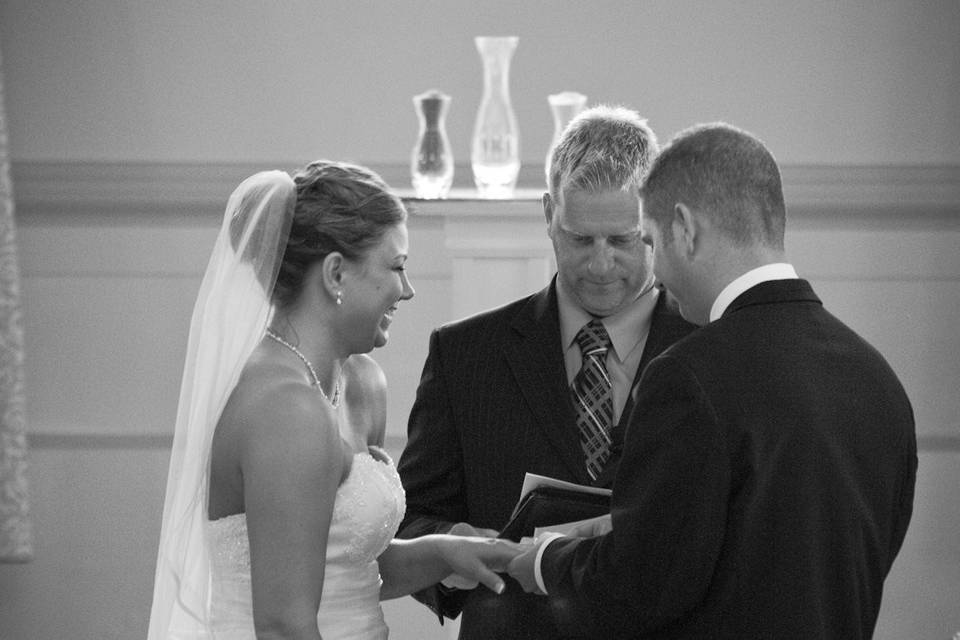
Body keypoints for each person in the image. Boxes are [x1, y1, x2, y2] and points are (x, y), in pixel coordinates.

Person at [507, 123, 918, 639]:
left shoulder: (689, 374)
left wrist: (544, 560)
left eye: (650, 241)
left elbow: (646, 583)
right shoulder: (876, 377)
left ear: (684, 228)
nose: (658, 275)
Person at [148, 161, 522, 640]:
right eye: (396, 267)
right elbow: (284, 625)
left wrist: (444, 551)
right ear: (335, 273)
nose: (406, 291)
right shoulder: (285, 408)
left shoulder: (361, 385)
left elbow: (351, 569)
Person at [396, 106, 695, 639]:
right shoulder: (465, 354)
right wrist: (451, 545)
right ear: (547, 215)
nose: (601, 265)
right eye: (581, 239)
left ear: (658, 224)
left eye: (623, 240)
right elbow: (409, 518)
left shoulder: (709, 351)